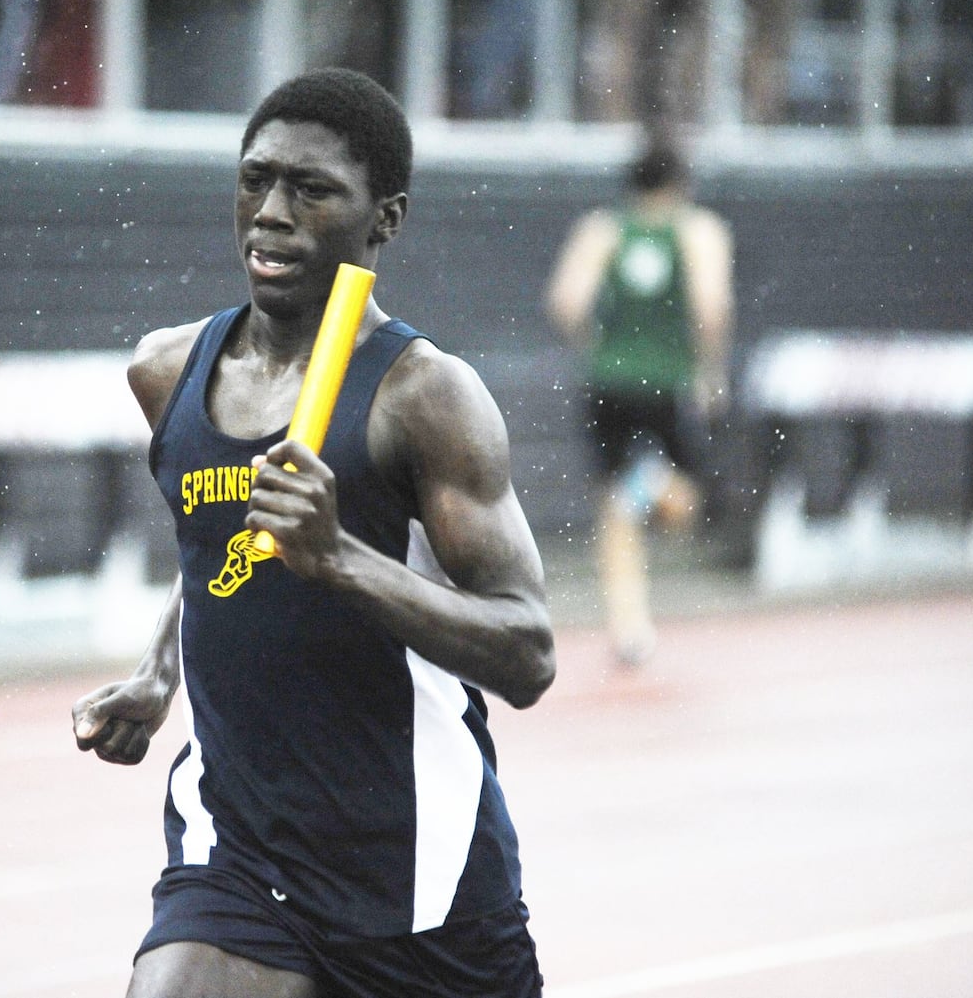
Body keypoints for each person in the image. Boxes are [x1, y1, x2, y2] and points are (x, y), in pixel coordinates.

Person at [70, 67, 555, 998]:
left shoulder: (426, 399)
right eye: (256, 179)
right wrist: (161, 671)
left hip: (421, 880)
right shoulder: (167, 371)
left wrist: (342, 561)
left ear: (387, 218)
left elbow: (527, 650)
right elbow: (216, 544)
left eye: (313, 190)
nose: (271, 214)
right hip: (240, 852)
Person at [542, 136, 733, 665]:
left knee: (614, 510)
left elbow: (565, 302)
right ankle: (653, 483)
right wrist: (710, 370)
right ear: (680, 185)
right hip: (668, 381)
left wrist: (599, 345)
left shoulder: (602, 229)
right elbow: (711, 306)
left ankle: (629, 628)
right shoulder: (697, 230)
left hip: (610, 381)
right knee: (690, 501)